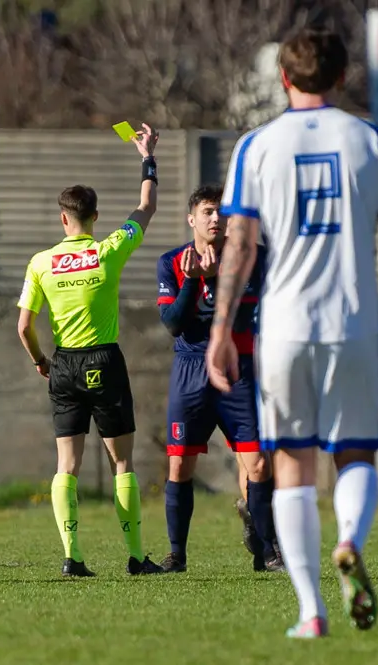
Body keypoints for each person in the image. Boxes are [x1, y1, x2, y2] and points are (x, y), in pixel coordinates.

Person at [207, 28, 378, 638]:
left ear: (284, 79)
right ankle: (349, 539)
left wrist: (222, 327)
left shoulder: (256, 147)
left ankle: (311, 612)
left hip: (285, 327)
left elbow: (240, 245)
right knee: (355, 452)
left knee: (292, 464)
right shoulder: (373, 141)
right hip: (352, 320)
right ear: (343, 77)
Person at [16, 123, 164, 577]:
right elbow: (146, 207)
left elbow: (23, 326)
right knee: (121, 461)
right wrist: (147, 156)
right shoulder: (107, 251)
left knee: (68, 464)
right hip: (103, 359)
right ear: (95, 217)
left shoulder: (41, 262)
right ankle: (137, 558)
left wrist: (42, 361)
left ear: (64, 219)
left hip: (63, 365)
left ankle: (72, 557)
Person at [156, 184, 282, 574]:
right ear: (191, 218)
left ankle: (268, 551)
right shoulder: (173, 261)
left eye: (222, 213)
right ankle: (177, 555)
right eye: (208, 212)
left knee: (258, 465)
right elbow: (174, 324)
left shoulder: (252, 259)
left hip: (239, 369)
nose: (216, 220)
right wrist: (195, 280)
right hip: (191, 369)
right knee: (179, 465)